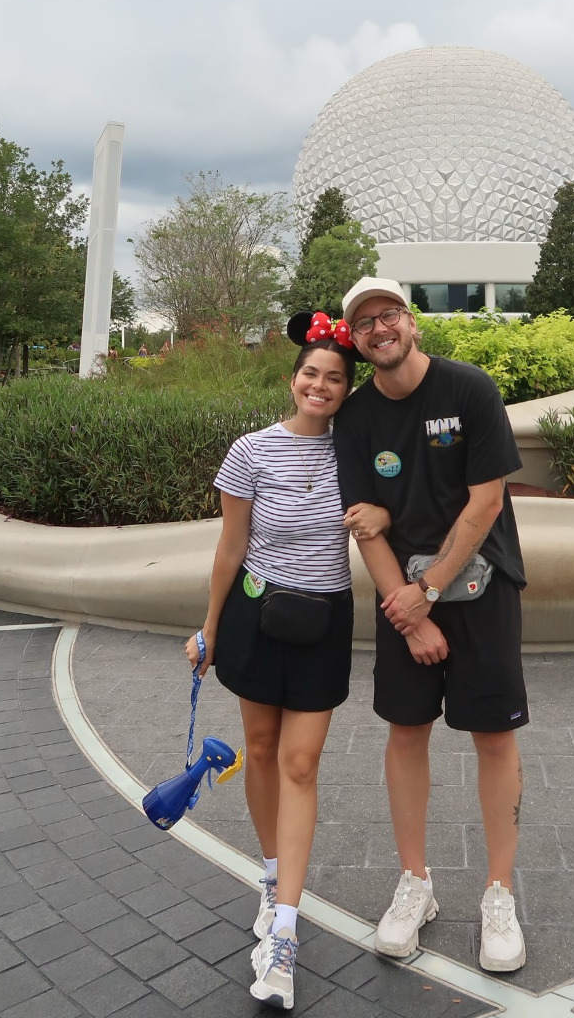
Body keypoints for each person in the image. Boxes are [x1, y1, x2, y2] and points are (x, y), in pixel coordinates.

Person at [185, 312, 388, 1010]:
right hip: (254, 615)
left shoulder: (355, 453)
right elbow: (229, 547)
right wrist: (208, 629)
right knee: (263, 749)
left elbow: (384, 519)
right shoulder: (251, 452)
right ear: (292, 379)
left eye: (334, 378)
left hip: (324, 620)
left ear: (345, 390)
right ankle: (272, 877)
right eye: (311, 374)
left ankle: (285, 935)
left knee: (302, 763)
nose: (320, 386)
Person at [333, 276, 529, 973]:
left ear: (410, 323)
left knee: (493, 737)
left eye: (387, 315)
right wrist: (410, 616)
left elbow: (483, 505)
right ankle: (415, 883)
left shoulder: (468, 390)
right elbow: (364, 524)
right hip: (404, 602)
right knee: (406, 732)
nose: (378, 329)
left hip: (479, 587)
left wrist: (431, 590)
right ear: (354, 340)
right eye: (364, 323)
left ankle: (499, 894)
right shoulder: (354, 420)